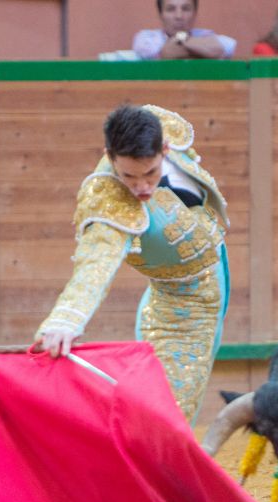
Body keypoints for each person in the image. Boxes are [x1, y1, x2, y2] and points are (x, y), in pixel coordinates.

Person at [34, 104, 230, 423]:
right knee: (169, 418)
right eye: (128, 176)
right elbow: (95, 264)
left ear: (164, 149)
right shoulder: (109, 203)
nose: (141, 187)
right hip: (181, 309)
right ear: (110, 158)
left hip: (218, 272)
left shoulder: (161, 127)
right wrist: (65, 321)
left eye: (150, 173)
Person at [132, 0, 236, 60]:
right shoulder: (147, 38)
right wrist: (200, 50)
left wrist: (180, 39)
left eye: (186, 9)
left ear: (195, 14)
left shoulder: (205, 34)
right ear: (161, 15)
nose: (179, 16)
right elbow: (167, 53)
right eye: (171, 9)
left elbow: (217, 50)